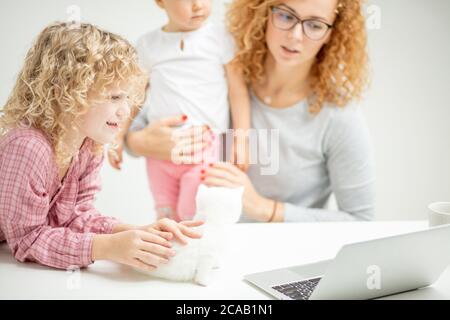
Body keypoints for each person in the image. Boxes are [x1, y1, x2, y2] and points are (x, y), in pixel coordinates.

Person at [126, 0, 375, 223]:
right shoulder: (223, 74)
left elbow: (361, 220)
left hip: (285, 258)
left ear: (332, 33)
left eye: (316, 25)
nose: (296, 35)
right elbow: (143, 115)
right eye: (286, 16)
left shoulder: (338, 116)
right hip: (207, 246)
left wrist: (265, 209)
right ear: (264, 13)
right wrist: (136, 142)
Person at [0, 22, 203, 271]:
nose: (125, 110)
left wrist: (137, 232)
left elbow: (76, 216)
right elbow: (26, 239)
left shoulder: (88, 144)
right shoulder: (28, 148)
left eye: (127, 97)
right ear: (64, 93)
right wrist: (108, 247)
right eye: (114, 97)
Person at [109, 0, 251, 222]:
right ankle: (170, 256)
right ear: (160, 2)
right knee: (165, 216)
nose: (198, 5)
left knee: (193, 213)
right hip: (160, 151)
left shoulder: (221, 38)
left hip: (204, 147)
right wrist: (118, 136)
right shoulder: (148, 45)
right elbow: (134, 98)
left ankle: (198, 255)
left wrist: (241, 141)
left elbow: (238, 93)